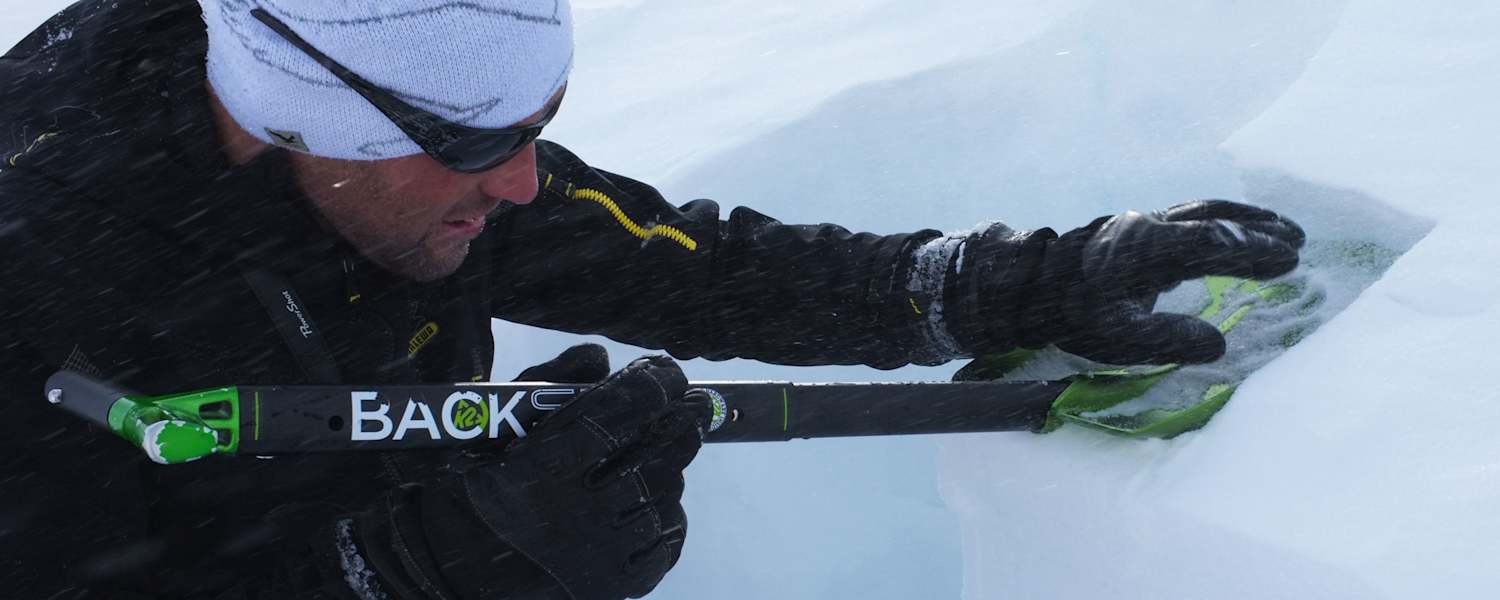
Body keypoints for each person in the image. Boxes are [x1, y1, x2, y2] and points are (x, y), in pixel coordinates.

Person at [0, 0, 1306, 598]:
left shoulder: (358, 118)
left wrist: (980, 288)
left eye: (540, 121)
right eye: (473, 143)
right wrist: (402, 574)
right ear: (307, 124)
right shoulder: (35, 272)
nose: (520, 183)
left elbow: (643, 250)